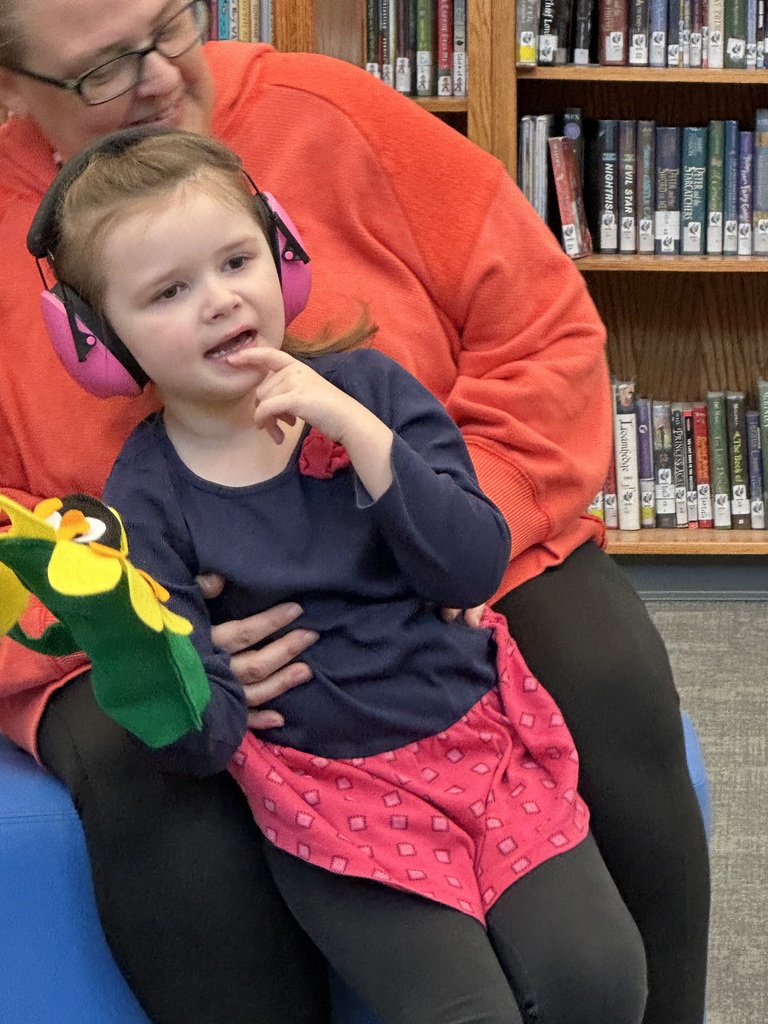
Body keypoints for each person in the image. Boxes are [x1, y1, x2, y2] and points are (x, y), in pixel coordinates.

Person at [0, 2, 708, 1023]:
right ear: (11, 87)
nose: (156, 77)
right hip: (156, 605)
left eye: (170, 27)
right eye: (102, 68)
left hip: (428, 533)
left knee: (606, 674)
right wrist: (143, 634)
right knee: (147, 775)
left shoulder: (332, 109)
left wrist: (452, 517)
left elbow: (544, 331)